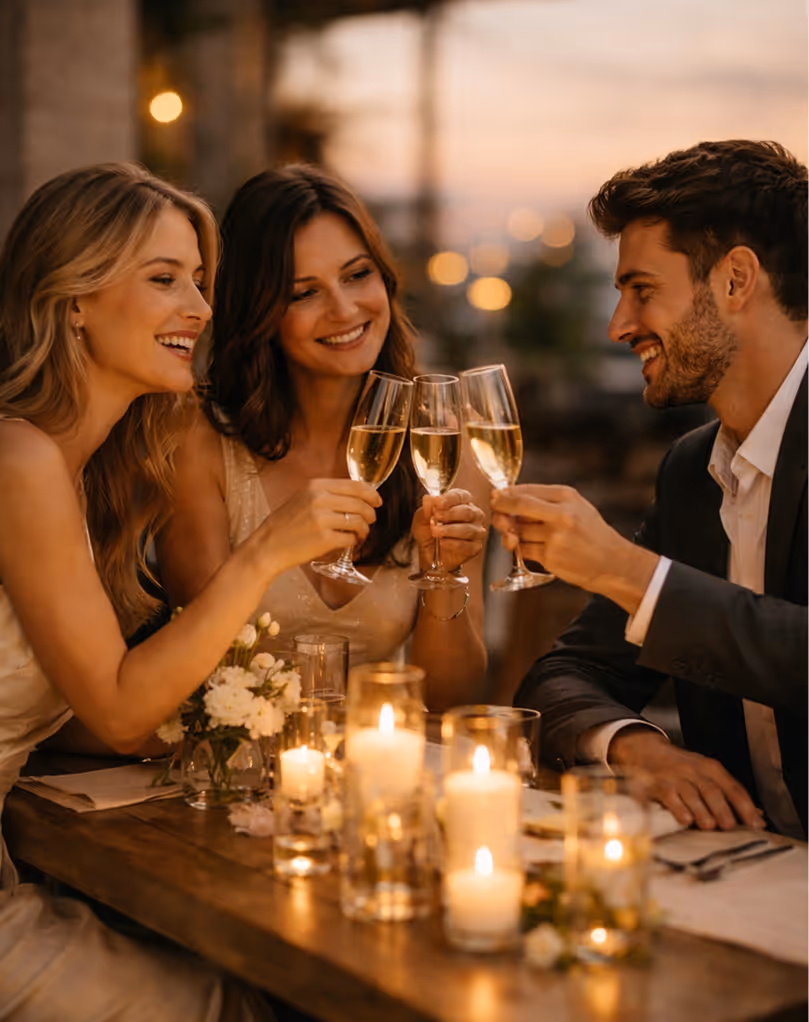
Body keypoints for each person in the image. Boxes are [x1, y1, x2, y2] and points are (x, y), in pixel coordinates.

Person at [0, 163, 384, 1019]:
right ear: (74, 299)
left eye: (200, 282)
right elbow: (119, 713)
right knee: (234, 1004)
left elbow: (99, 717)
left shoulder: (85, 473)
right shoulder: (18, 459)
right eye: (165, 279)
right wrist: (264, 553)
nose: (201, 309)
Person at [492, 140, 807, 837]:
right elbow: (561, 678)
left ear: (735, 280)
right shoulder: (690, 471)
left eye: (642, 290)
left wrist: (622, 570)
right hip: (748, 874)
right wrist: (641, 750)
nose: (618, 326)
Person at [157, 164, 488, 711]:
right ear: (260, 310)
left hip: (381, 758)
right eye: (305, 292)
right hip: (237, 756)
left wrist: (442, 573)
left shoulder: (442, 449)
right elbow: (196, 671)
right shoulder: (200, 441)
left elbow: (450, 698)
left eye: (357, 275)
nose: (344, 309)